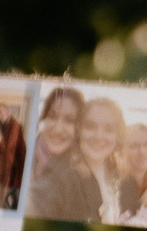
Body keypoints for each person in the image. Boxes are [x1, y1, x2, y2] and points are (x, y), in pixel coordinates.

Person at [26, 86, 100, 222]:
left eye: (69, 120)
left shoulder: (82, 169)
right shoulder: (22, 154)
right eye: (53, 117)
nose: (58, 129)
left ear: (80, 128)